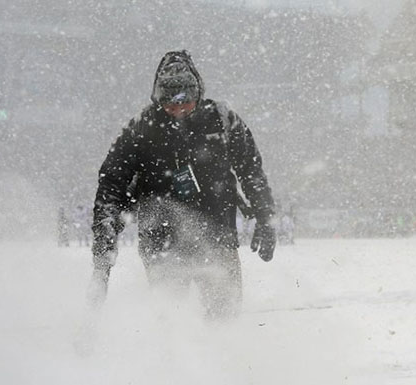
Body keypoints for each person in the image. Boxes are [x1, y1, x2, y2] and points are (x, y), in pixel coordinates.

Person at [89, 50, 276, 318]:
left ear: (198, 93)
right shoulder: (141, 129)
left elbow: (251, 170)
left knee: (224, 318)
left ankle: (226, 356)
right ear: (158, 99)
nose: (178, 110)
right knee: (170, 321)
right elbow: (110, 187)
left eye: (185, 102)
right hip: (161, 243)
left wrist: (265, 217)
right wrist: (103, 250)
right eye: (169, 103)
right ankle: (173, 357)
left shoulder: (223, 120)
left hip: (217, 237)